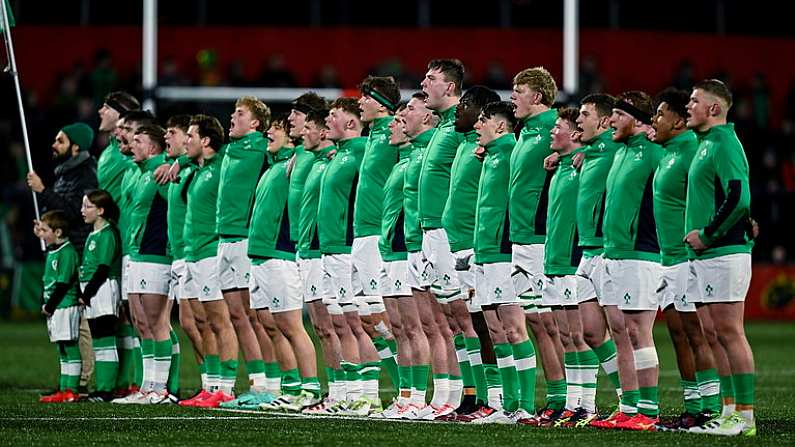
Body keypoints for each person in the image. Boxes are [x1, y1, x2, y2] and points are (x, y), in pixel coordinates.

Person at [684, 79, 756, 436]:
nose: (688, 106)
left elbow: (738, 197)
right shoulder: (705, 143)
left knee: (729, 331)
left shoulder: (724, 142)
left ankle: (745, 417)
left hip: (723, 252)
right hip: (706, 254)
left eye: (694, 101)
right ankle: (728, 413)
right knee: (713, 334)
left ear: (714, 108)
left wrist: (708, 234)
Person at [650, 88, 721, 431]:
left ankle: (710, 407)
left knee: (697, 333)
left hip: (687, 257)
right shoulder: (667, 151)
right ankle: (693, 404)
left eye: (660, 114)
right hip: (667, 257)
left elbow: (717, 185)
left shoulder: (692, 149)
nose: (655, 120)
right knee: (679, 334)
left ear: (678, 121)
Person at [596, 91, 664, 431]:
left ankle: (648, 413)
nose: (611, 121)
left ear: (636, 119)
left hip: (642, 253)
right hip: (614, 254)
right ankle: (629, 407)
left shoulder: (655, 152)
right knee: (620, 333)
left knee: (639, 332)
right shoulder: (619, 151)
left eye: (617, 115)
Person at [505, 67, 565, 427]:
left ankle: (578, 400)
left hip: (543, 237)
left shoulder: (555, 127)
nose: (513, 95)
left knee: (556, 322)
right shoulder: (525, 131)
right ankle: (558, 398)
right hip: (522, 236)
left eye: (519, 89)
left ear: (538, 97)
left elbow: (591, 144)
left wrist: (572, 153)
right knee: (537, 322)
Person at [250, 117, 321, 412]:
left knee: (291, 326)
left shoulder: (296, 161)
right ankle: (290, 387)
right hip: (260, 254)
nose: (268, 133)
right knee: (271, 325)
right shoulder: (272, 166)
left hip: (280, 253)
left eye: (275, 129)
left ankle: (311, 389)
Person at [470, 101, 534, 425]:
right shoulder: (492, 155)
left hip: (502, 251)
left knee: (513, 328)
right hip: (484, 251)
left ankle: (526, 407)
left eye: (482, 120)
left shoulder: (513, 152)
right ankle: (508, 406)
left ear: (499, 127)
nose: (476, 125)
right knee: (495, 331)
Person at [441, 86, 501, 420]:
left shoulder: (487, 152)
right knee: (466, 325)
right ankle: (472, 394)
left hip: (476, 245)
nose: (457, 111)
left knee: (484, 324)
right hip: (457, 245)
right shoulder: (467, 146)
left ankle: (494, 397)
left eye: (463, 106)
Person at [317, 98, 378, 415]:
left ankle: (369, 395)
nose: (327, 120)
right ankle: (349, 394)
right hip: (330, 247)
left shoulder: (362, 152)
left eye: (333, 115)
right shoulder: (339, 154)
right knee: (340, 325)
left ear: (352, 123)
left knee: (356, 324)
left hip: (345, 246)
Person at [28, 121, 97, 396]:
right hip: (69, 250)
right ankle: (71, 380)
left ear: (76, 146)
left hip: (79, 254)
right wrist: (47, 228)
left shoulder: (86, 176)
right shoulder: (66, 173)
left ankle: (81, 381)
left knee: (80, 326)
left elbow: (74, 214)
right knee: (70, 327)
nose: (54, 145)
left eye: (60, 141)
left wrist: (44, 191)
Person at [417, 59, 466, 420]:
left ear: (449, 87)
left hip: (449, 232)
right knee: (441, 320)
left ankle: (470, 394)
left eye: (431, 79)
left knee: (460, 319)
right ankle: (447, 394)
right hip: (429, 231)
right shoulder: (441, 127)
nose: (423, 83)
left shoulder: (461, 128)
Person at [388, 93, 438, 419]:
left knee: (424, 326)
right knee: (402, 326)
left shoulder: (426, 153)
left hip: (419, 245)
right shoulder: (408, 158)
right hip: (398, 247)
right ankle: (407, 395)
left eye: (407, 111)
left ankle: (421, 396)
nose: (401, 118)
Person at [216, 97, 270, 394]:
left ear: (255, 124)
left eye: (240, 113)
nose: (232, 117)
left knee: (256, 316)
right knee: (237, 316)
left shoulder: (261, 147)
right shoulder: (229, 150)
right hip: (223, 239)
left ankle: (270, 384)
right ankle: (254, 383)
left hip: (246, 238)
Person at [177, 114, 232, 408]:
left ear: (206, 141)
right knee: (202, 321)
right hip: (194, 253)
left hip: (212, 252)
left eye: (191, 136)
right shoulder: (196, 170)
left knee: (219, 322)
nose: (186, 141)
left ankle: (226, 387)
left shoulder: (221, 164)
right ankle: (210, 386)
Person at [295, 108, 348, 415]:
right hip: (309, 249)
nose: (304, 133)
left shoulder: (331, 161)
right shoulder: (315, 162)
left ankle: (345, 393)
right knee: (323, 328)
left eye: (310, 128)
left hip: (321, 249)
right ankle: (336, 392)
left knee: (333, 326)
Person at [354, 76, 401, 391]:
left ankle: (411, 388)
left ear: (381, 103)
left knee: (387, 320)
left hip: (376, 234)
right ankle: (402, 389)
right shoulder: (372, 136)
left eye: (364, 97)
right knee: (365, 319)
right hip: (361, 235)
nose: (359, 102)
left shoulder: (395, 133)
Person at [123, 125, 175, 404]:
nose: (133, 145)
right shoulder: (144, 173)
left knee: (157, 322)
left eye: (138, 141)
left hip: (157, 254)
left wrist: (175, 164)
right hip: (138, 253)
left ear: (153, 147)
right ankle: (147, 386)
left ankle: (161, 388)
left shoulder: (162, 173)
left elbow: (178, 204)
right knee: (141, 323)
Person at [79, 190, 123, 402]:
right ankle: (102, 387)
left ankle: (106, 389)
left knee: (105, 338)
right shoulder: (93, 233)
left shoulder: (107, 233)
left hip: (102, 289)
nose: (82, 211)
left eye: (87, 206)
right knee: (98, 339)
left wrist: (86, 293)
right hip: (92, 290)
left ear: (101, 210)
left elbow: (103, 267)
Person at [36, 210, 82, 404]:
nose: (41, 233)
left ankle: (72, 389)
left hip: (65, 306)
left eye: (45, 230)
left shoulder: (68, 252)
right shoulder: (54, 250)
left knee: (70, 347)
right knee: (62, 348)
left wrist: (50, 305)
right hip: (56, 308)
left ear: (58, 232)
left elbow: (63, 284)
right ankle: (63, 389)